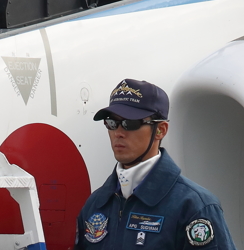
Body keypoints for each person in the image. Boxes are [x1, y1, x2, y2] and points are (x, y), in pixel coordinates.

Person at [76, 79, 236, 250]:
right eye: (111, 123)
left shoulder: (195, 206)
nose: (118, 133)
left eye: (130, 123)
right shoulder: (95, 204)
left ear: (161, 130)